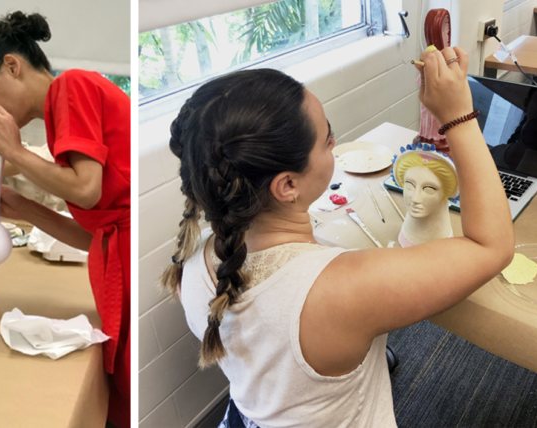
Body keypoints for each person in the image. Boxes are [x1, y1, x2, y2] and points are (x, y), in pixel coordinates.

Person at [160, 46, 514, 426]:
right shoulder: (341, 290)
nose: (334, 143)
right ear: (287, 184)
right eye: (327, 140)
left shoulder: (189, 263)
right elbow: (491, 246)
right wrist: (459, 116)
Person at [0, 12, 131, 426]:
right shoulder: (59, 115)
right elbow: (94, 234)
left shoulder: (71, 86)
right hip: (114, 253)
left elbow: (87, 189)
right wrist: (26, 208)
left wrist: (15, 152)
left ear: (12, 65)